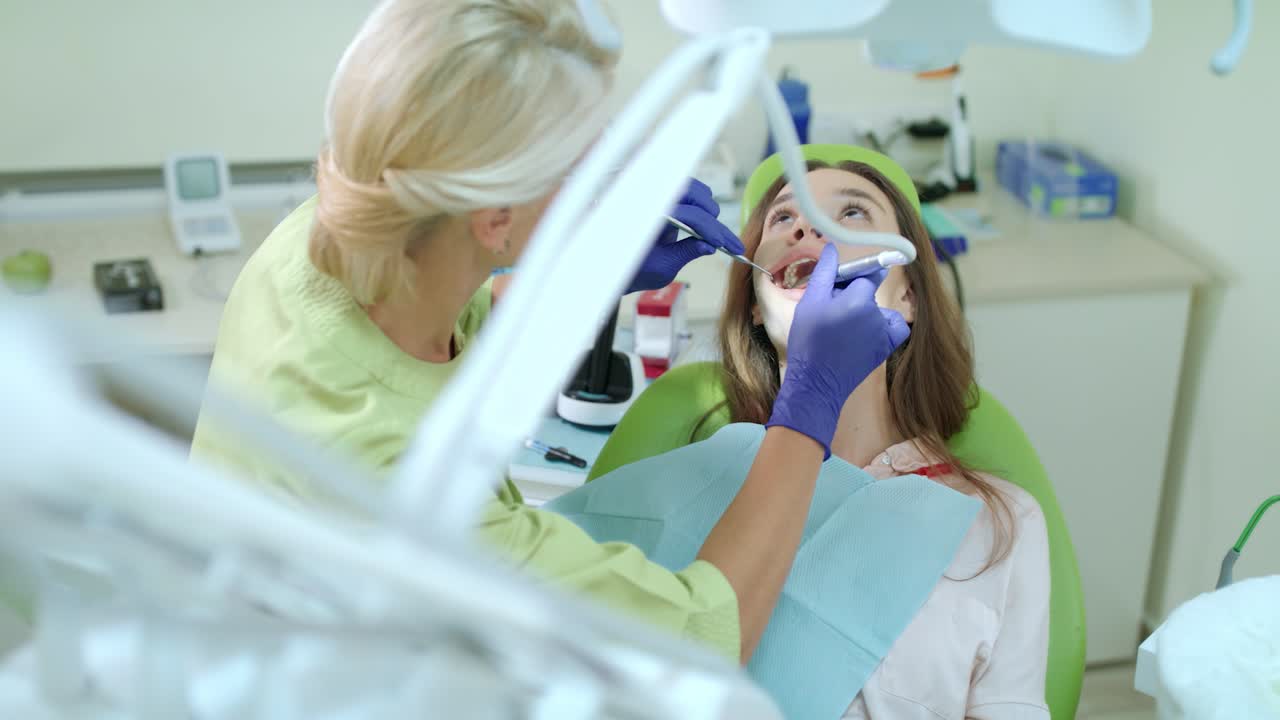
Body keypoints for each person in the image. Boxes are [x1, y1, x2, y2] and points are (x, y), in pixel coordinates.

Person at [189, 1, 908, 664]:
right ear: (494, 216)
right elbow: (699, 641)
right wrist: (809, 398)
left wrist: (580, 272)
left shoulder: (347, 222)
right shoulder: (396, 478)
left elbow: (442, 332)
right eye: (579, 161)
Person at [609, 146, 1052, 717]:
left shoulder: (999, 524)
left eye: (852, 214)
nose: (807, 231)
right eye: (785, 218)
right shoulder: (686, 485)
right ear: (753, 305)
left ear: (908, 295)